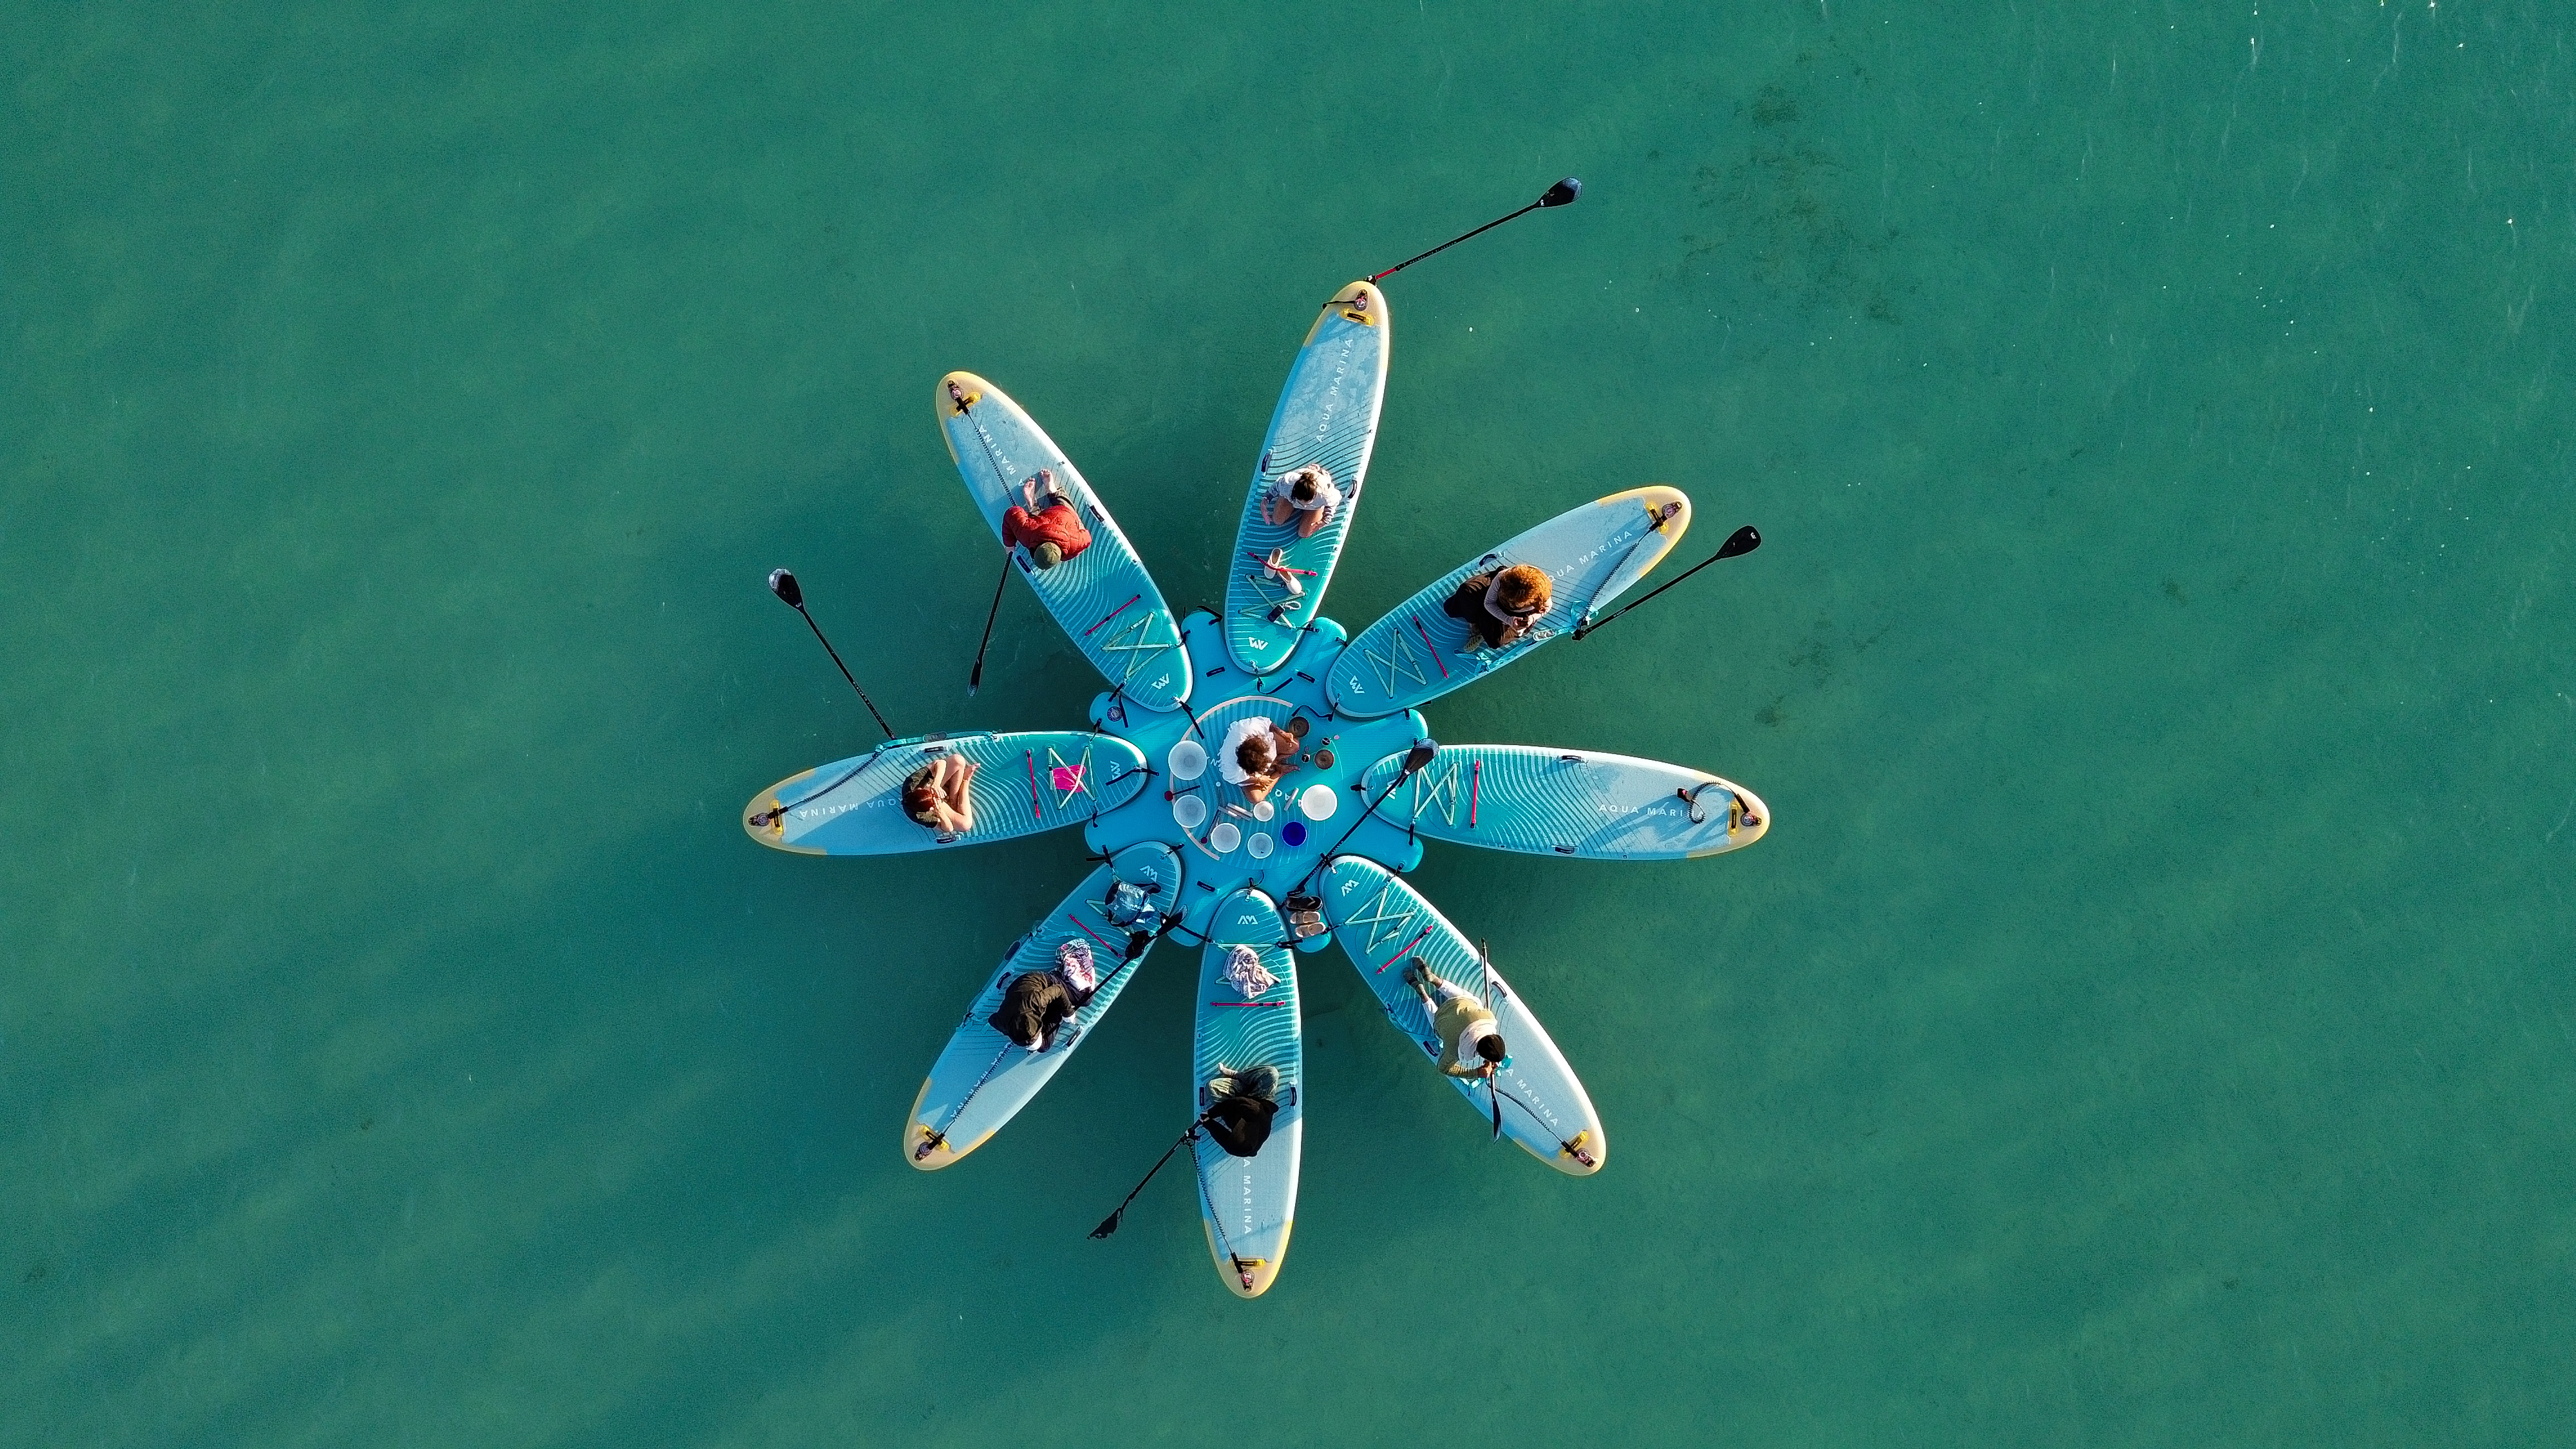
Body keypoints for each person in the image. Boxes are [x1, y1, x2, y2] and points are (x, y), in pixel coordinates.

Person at [989, 940, 1103, 1052]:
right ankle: (1058, 1005)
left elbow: (1059, 989)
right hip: (1021, 996)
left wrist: (1068, 1012)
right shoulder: (1002, 1023)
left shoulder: (1036, 1001)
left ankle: (1059, 989)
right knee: (1044, 1047)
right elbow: (992, 1020)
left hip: (1041, 982)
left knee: (1087, 999)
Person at [1404, 963, 1506, 1079]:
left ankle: (1434, 979)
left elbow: (1485, 1036)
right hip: (1440, 1017)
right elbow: (1442, 1068)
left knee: (1468, 999)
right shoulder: (1456, 1052)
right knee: (1436, 1023)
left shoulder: (1489, 1018)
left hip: (1458, 1002)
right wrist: (1477, 1072)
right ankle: (1423, 994)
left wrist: (1491, 1057)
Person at [1441, 562, 1552, 652]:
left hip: (1516, 614)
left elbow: (1547, 607)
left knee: (1497, 641)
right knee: (1466, 591)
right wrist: (1507, 618)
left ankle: (1481, 625)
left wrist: (1530, 619)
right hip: (1493, 595)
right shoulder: (1504, 577)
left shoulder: (1541, 595)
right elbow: (1489, 602)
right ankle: (1475, 623)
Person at [1001, 468, 1092, 570]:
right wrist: (1009, 545)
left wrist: (1079, 535)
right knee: (1039, 522)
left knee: (1070, 513)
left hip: (1063, 516)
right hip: (1051, 520)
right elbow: (1012, 513)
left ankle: (1051, 491)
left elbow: (1088, 539)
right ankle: (1033, 501)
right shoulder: (1027, 534)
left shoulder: (1076, 544)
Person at [1217, 715, 1302, 806]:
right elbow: (1239, 780)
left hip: (1266, 742)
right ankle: (1280, 772)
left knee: (1294, 746)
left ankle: (1276, 763)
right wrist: (1258, 780)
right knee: (1255, 798)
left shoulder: (1249, 728)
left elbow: (1270, 724)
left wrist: (1282, 733)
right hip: (1247, 772)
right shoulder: (1231, 770)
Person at [1200, 1063, 1280, 1158]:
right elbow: (1237, 1102)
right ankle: (1238, 1076)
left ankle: (1247, 1083)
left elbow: (1221, 1136)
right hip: (1260, 1101)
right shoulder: (1255, 1111)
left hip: (1236, 1113)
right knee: (1272, 1073)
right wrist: (1211, 1113)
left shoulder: (1234, 1148)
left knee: (1211, 1087)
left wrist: (1208, 1123)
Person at [900, 754, 978, 835]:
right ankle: (965, 780)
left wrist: (936, 784)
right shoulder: (920, 816)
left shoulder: (913, 782)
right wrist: (940, 812)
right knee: (965, 825)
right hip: (938, 806)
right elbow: (949, 828)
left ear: (919, 789)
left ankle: (953, 799)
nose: (937, 796)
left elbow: (941, 763)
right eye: (935, 797)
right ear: (930, 809)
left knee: (958, 760)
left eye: (932, 793)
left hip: (935, 784)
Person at [1261, 464, 1342, 539]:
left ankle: (1321, 474)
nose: (1304, 505)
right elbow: (1274, 489)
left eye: (1307, 502)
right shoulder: (1288, 484)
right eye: (1301, 501)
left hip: (1316, 504)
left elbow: (1334, 503)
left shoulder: (1325, 495)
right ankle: (1310, 471)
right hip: (1291, 498)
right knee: (1277, 520)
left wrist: (1324, 521)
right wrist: (1264, 504)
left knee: (1304, 534)